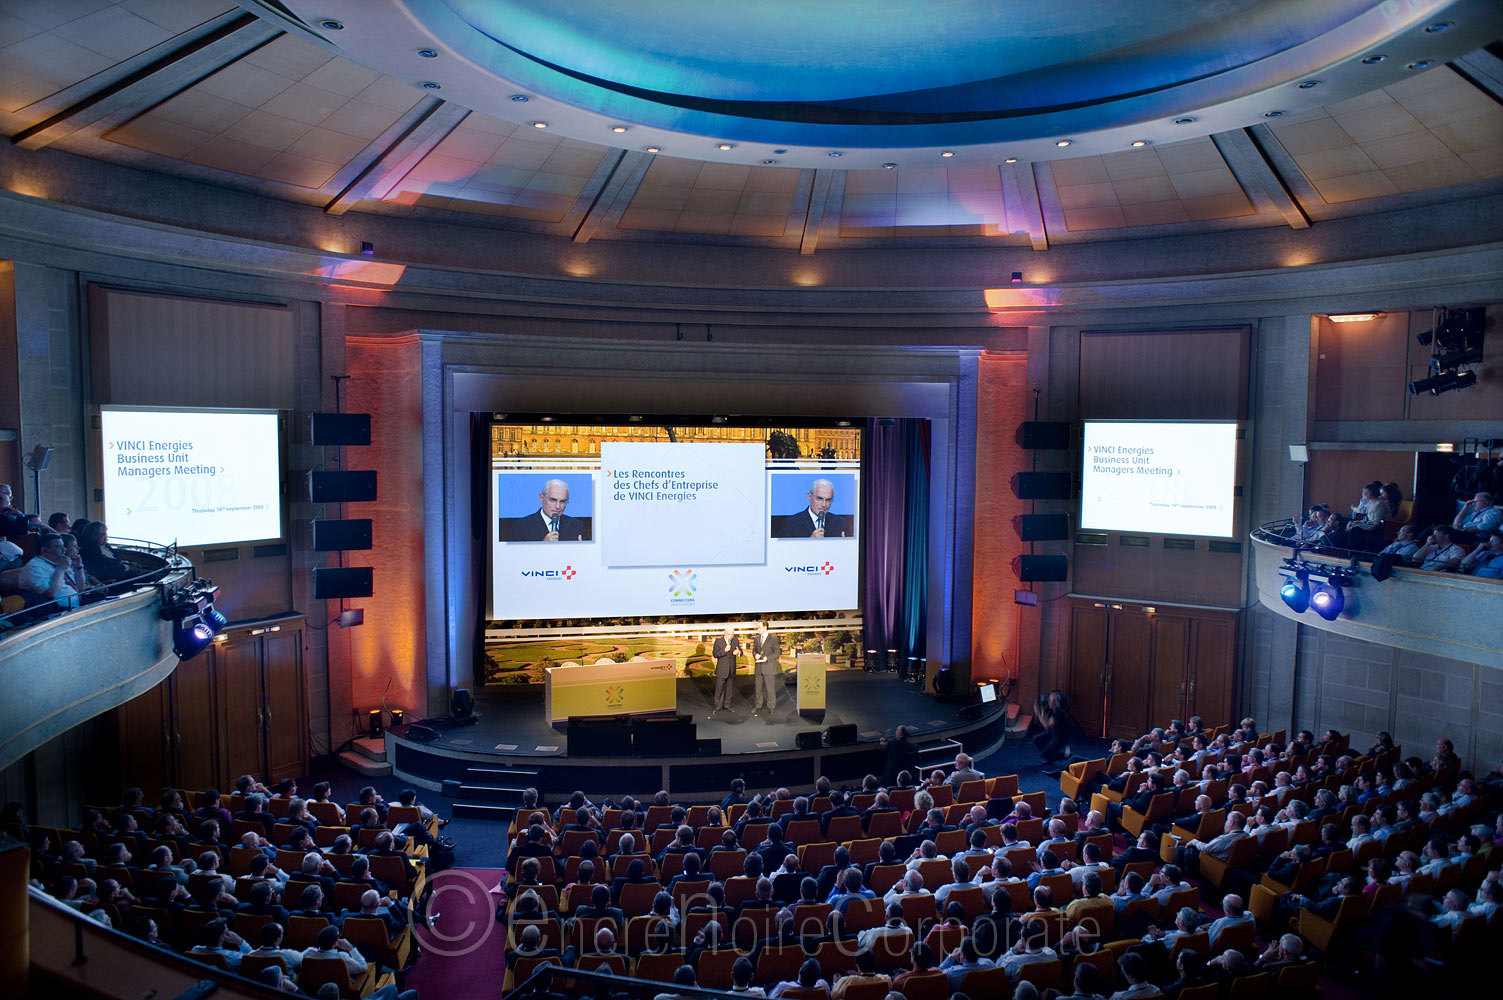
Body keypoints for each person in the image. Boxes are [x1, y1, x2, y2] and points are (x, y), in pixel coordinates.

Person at [504, 478, 589, 541]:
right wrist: (542, 546)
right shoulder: (521, 526)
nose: (558, 507)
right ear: (541, 498)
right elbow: (516, 559)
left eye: (563, 502)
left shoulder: (576, 525)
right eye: (553, 500)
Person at [17, 532, 79, 608]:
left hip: (76, 606)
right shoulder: (34, 567)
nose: (64, 549)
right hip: (58, 611)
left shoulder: (59, 562)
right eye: (58, 547)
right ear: (44, 550)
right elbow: (51, 594)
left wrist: (79, 567)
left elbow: (80, 588)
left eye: (63, 546)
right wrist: (60, 569)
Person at [776, 478, 851, 537]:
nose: (824, 505)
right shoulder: (790, 524)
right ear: (809, 497)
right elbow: (785, 553)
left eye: (828, 500)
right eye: (819, 498)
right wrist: (810, 542)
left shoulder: (840, 523)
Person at [750, 621, 781, 716]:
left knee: (770, 689)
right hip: (759, 668)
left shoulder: (774, 638)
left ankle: (771, 707)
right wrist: (755, 655)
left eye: (759, 627)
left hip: (769, 667)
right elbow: (754, 650)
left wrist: (768, 658)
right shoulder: (756, 639)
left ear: (765, 627)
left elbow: (777, 652)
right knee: (758, 689)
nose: (758, 629)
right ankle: (758, 706)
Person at [710, 624, 743, 715]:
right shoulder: (718, 641)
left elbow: (741, 651)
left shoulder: (735, 640)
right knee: (719, 689)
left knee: (729, 689)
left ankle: (727, 706)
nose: (731, 636)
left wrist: (738, 652)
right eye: (729, 634)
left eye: (732, 634)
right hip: (722, 669)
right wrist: (724, 650)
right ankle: (718, 707)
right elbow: (715, 654)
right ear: (725, 633)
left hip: (731, 669)